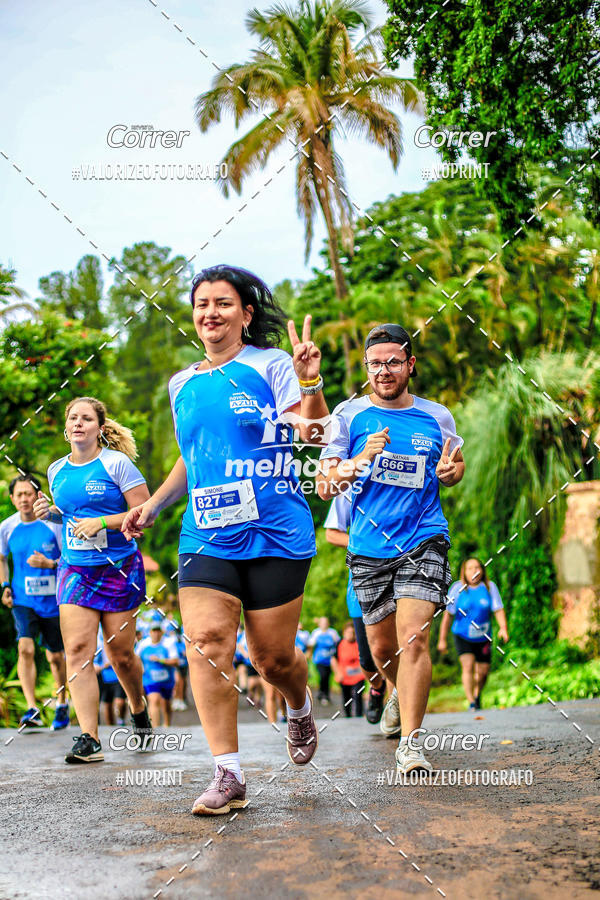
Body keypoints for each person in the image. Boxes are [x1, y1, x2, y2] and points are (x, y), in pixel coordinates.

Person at [122, 264, 329, 815]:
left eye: (223, 303)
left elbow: (312, 433)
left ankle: (299, 705)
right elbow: (192, 461)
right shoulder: (181, 383)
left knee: (272, 658)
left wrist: (309, 382)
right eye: (202, 303)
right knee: (208, 641)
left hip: (276, 529)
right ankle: (228, 773)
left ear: (246, 313)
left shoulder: (271, 364)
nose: (210, 312)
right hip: (207, 533)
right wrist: (153, 503)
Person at [317, 323, 465, 776]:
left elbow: (455, 465)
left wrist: (450, 473)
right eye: (376, 363)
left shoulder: (436, 417)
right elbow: (325, 486)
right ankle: (395, 690)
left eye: (393, 362)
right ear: (366, 367)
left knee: (415, 637)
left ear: (410, 365)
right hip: (367, 546)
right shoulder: (348, 415)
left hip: (424, 536)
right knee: (381, 652)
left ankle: (411, 745)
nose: (384, 371)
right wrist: (360, 461)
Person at [33, 396, 153, 763]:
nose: (79, 423)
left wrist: (103, 522)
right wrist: (50, 513)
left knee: (121, 656)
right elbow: (70, 519)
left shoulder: (116, 464)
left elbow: (146, 512)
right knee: (78, 653)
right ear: (66, 427)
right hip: (74, 570)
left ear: (100, 428)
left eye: (87, 418)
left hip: (118, 569)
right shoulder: (57, 471)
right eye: (73, 418)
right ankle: (89, 738)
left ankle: (138, 708)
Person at [0, 475, 69, 730]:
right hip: (23, 599)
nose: (24, 499)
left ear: (37, 496)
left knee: (55, 657)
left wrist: (48, 564)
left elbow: (69, 561)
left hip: (54, 600)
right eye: (18, 495)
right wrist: (5, 586)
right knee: (25, 649)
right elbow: (1, 559)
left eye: (28, 494)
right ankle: (32, 708)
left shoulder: (53, 525)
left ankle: (62, 703)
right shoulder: (6, 527)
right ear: (12, 499)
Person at [324, 493, 397, 731]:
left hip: (401, 573)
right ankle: (377, 689)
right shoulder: (350, 484)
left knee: (401, 647)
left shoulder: (402, 476)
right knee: (368, 658)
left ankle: (399, 703)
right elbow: (331, 532)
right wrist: (363, 540)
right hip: (361, 582)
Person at [437, 558, 509, 709]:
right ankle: (471, 702)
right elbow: (448, 616)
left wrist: (503, 628)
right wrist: (442, 639)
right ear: (464, 571)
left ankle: (477, 695)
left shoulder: (489, 587)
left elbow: (498, 609)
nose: (474, 571)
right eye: (470, 568)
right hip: (462, 635)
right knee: (468, 666)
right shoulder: (457, 589)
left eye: (477, 567)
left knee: (483, 672)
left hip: (484, 636)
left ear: (482, 570)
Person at [137, 615, 179, 726]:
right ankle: (155, 728)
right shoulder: (143, 644)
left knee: (166, 704)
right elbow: (135, 659)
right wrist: (140, 668)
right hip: (150, 679)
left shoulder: (168, 643)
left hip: (166, 680)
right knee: (154, 700)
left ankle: (167, 725)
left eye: (158, 631)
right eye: (153, 631)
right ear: (149, 632)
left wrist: (160, 660)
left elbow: (176, 661)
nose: (156, 633)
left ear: (162, 632)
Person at [331, 621, 365, 717]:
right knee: (346, 697)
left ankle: (359, 716)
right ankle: (348, 716)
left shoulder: (360, 643)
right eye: (349, 632)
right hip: (344, 676)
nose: (351, 635)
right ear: (344, 633)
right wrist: (338, 673)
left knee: (358, 696)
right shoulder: (339, 643)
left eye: (353, 633)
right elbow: (333, 659)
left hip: (359, 676)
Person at [95, 626, 127, 726]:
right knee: (107, 704)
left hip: (118, 676)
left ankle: (121, 719)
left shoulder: (117, 636)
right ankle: (110, 728)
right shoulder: (97, 641)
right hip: (104, 677)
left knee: (120, 702)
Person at [307, 617, 340, 705]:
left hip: (330, 660)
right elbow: (310, 645)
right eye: (322, 622)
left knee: (328, 677)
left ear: (328, 623)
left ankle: (326, 695)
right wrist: (309, 655)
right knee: (323, 676)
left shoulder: (333, 632)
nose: (324, 624)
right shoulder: (316, 632)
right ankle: (322, 693)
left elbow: (338, 643)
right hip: (319, 659)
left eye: (326, 622)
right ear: (319, 624)